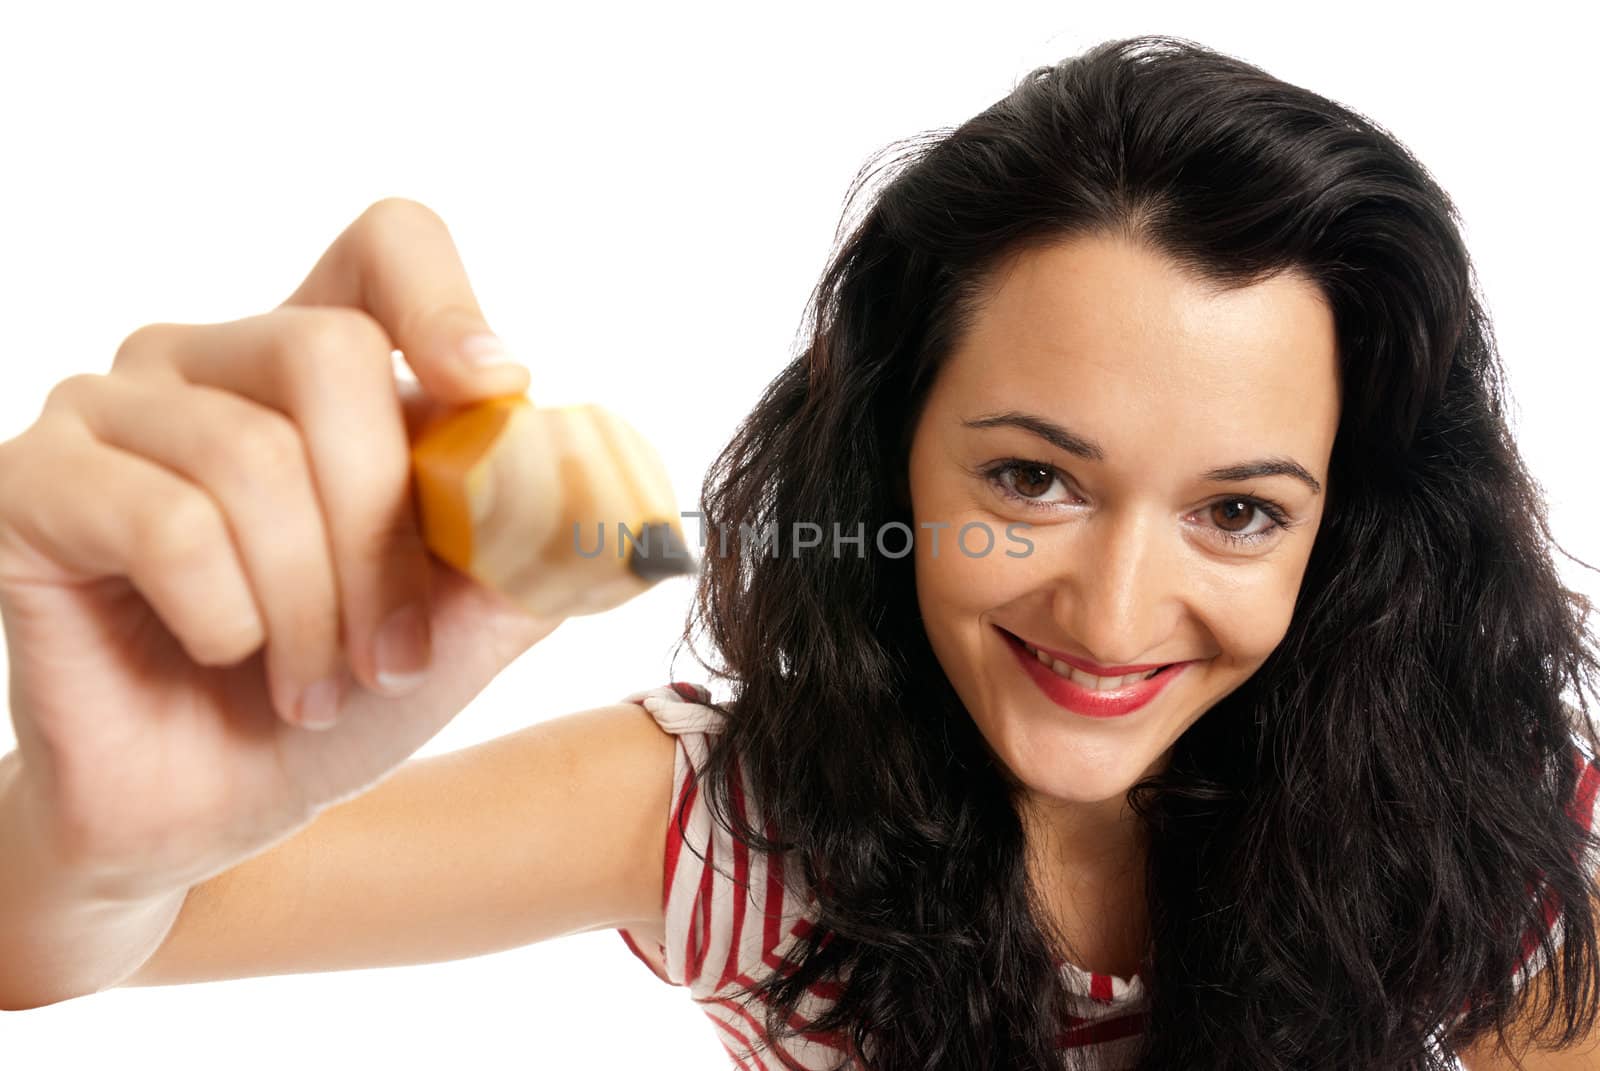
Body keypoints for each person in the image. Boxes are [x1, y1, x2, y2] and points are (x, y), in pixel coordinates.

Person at [1, 31, 1597, 1071]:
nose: (1113, 613)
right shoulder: (736, 832)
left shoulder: (1480, 800)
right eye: (1033, 478)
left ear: (1350, 530)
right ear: (890, 448)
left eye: (1238, 511)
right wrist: (102, 840)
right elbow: (79, 947)